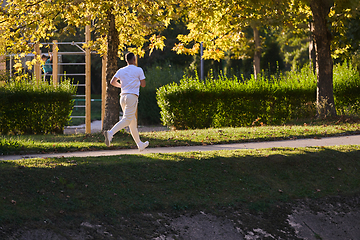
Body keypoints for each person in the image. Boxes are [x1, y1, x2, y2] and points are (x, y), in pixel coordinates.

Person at [103, 52, 149, 151]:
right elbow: (143, 84)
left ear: (126, 60)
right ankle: (110, 133)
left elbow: (112, 82)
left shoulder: (121, 70)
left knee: (132, 122)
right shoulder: (138, 70)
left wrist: (122, 86)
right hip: (132, 97)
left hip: (123, 97)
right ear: (134, 60)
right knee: (127, 119)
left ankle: (140, 144)